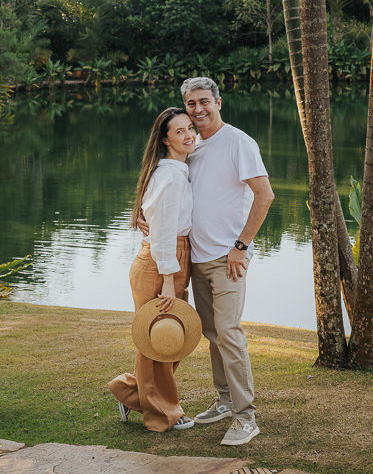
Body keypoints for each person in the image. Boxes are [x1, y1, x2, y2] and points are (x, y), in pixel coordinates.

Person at [141, 77, 274, 446]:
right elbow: (172, 197)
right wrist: (146, 218)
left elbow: (265, 196)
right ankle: (226, 401)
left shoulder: (239, 143)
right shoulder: (191, 146)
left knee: (229, 333)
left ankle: (246, 418)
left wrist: (241, 246)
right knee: (213, 334)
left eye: (204, 102)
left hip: (227, 258)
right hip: (196, 258)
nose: (198, 110)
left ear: (219, 102)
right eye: (191, 104)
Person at [107, 107, 198, 432]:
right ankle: (163, 412)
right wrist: (170, 282)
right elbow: (161, 234)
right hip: (162, 261)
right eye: (180, 132)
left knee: (169, 338)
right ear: (165, 139)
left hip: (174, 256)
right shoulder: (170, 177)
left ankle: (130, 391)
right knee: (160, 339)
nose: (189, 136)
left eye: (191, 128)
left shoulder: (177, 169)